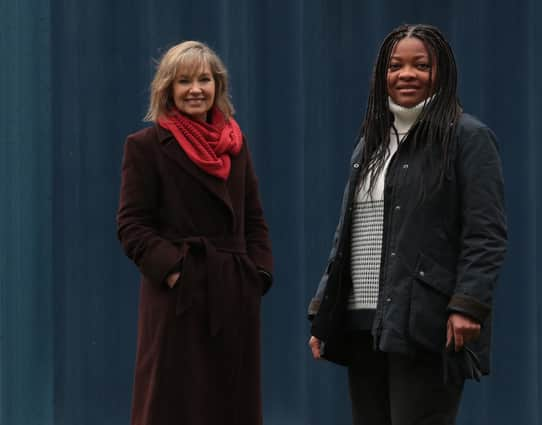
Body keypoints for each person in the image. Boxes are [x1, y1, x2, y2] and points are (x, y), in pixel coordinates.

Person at [307, 24, 507, 425]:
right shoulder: (373, 142)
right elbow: (347, 232)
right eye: (395, 66)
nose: (406, 74)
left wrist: (467, 305)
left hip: (425, 321)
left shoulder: (467, 137)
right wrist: (325, 311)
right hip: (364, 321)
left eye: (421, 65)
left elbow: (486, 234)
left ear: (442, 72)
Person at [117, 40, 273, 425]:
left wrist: (258, 275)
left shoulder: (236, 145)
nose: (196, 89)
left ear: (218, 86)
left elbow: (253, 218)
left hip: (232, 292)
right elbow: (131, 224)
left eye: (204, 79)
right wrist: (175, 272)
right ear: (167, 89)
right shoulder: (146, 146)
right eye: (184, 81)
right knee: (173, 405)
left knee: (229, 405)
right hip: (178, 300)